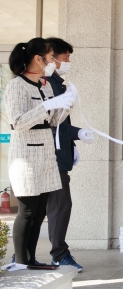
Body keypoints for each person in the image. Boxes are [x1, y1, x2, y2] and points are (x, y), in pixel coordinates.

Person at [4, 38, 76, 265]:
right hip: (25, 156)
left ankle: (32, 259)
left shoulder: (44, 85)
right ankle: (21, 261)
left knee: (40, 210)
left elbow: (53, 120)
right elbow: (18, 121)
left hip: (46, 155)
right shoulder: (16, 85)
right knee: (26, 210)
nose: (53, 61)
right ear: (38, 58)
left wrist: (65, 104)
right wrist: (45, 106)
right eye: (51, 56)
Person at [44, 37, 94, 272]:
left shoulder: (58, 83)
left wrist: (77, 134)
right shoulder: (45, 83)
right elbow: (50, 122)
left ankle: (26, 255)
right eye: (66, 58)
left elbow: (60, 124)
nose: (68, 62)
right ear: (51, 57)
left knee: (54, 205)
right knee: (59, 205)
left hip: (59, 154)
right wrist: (73, 134)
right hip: (48, 156)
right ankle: (59, 254)